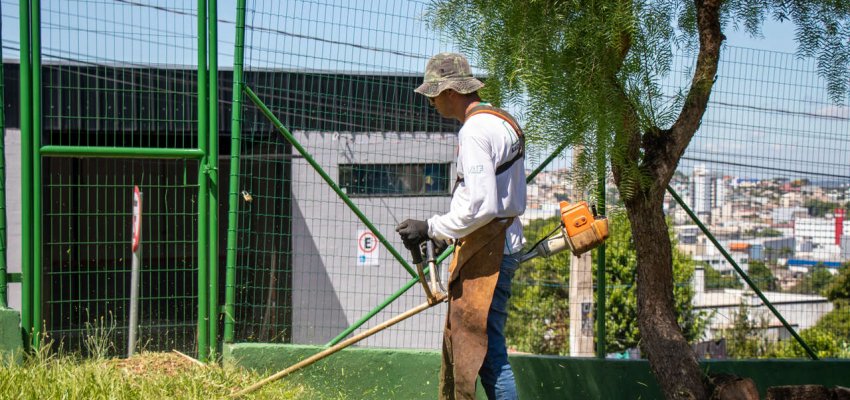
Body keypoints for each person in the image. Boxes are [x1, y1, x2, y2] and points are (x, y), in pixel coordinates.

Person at [396, 52, 526, 400]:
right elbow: (485, 198)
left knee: (488, 355)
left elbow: (482, 205)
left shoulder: (474, 131)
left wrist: (433, 228)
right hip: (497, 243)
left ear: (451, 91)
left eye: (435, 94)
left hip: (490, 252)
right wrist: (447, 235)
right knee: (485, 350)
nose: (433, 102)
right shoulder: (501, 120)